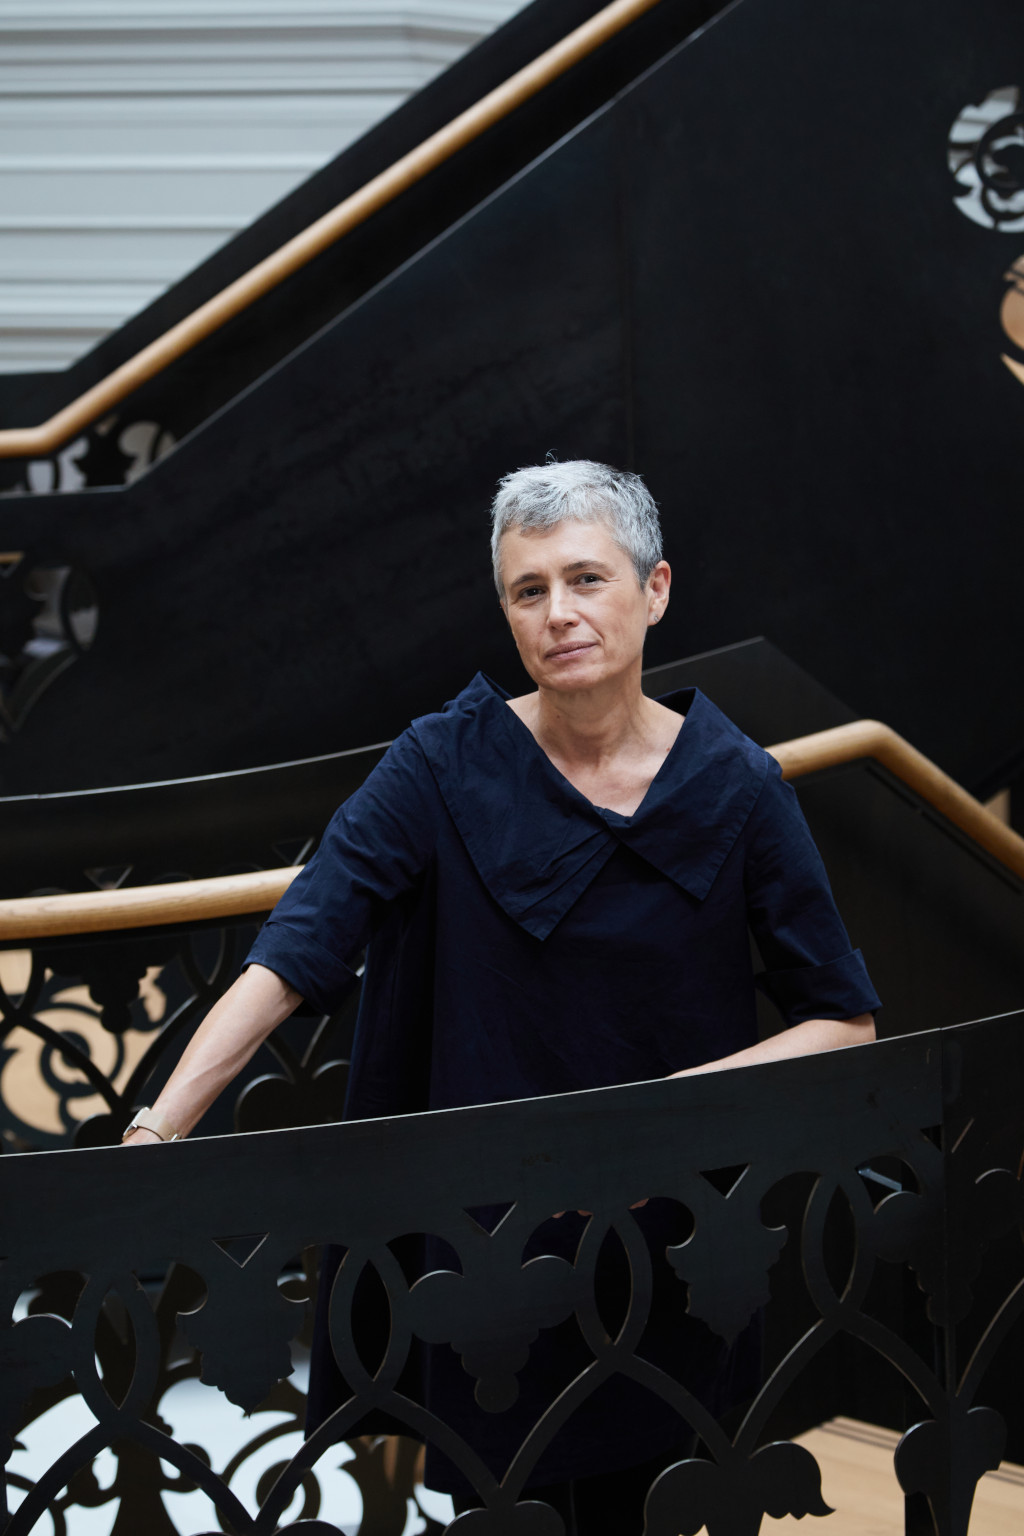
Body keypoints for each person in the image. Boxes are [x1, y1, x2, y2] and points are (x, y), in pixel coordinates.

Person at [123, 460, 878, 1532]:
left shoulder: (738, 782)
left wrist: (662, 1123)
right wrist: (159, 1125)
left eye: (586, 579)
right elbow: (298, 948)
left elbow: (843, 1021)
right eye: (529, 590)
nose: (558, 613)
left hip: (678, 1244)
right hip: (488, 1254)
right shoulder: (442, 761)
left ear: (655, 590)